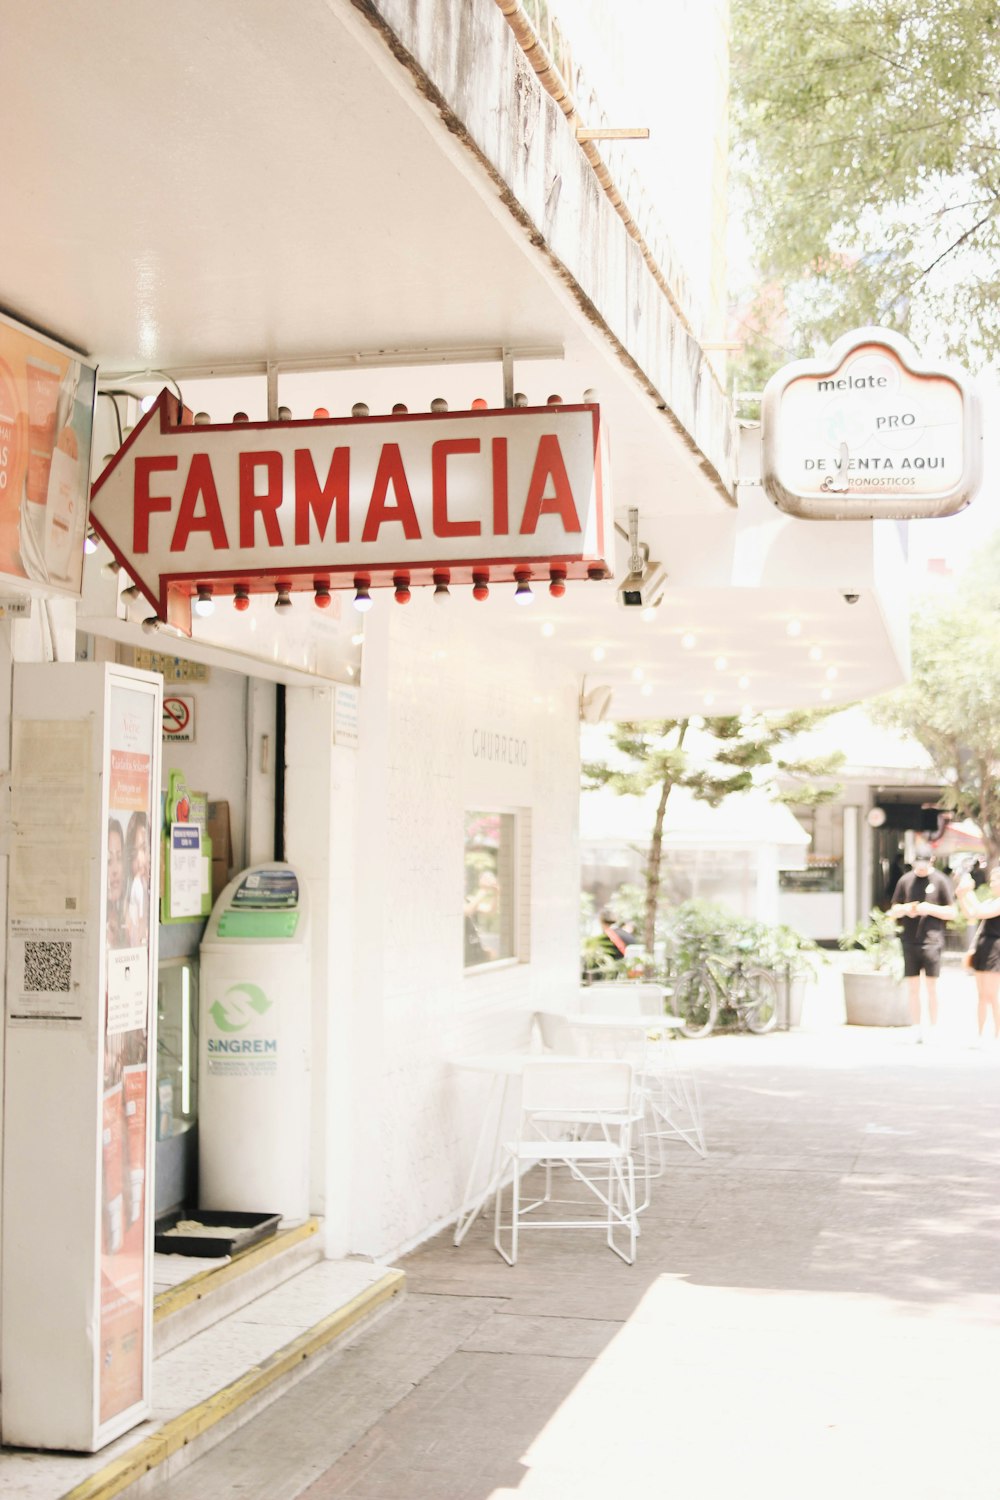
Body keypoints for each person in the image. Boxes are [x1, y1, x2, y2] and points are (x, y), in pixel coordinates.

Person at [887, 844, 956, 1041]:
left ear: (931, 860)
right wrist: (906, 909)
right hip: (909, 939)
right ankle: (916, 1027)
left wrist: (929, 909)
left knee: (932, 987)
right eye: (918, 862)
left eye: (924, 862)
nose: (921, 867)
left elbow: (952, 912)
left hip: (932, 940)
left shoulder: (941, 881)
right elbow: (893, 911)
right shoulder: (906, 880)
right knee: (913, 987)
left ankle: (934, 1026)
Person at [955, 865, 1000, 1046]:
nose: (992, 883)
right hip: (983, 947)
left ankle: (997, 1035)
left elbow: (978, 912)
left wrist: (967, 892)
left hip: (995, 948)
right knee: (982, 994)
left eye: (996, 879)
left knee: (993, 994)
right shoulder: (992, 901)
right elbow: (971, 914)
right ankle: (981, 1034)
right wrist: (962, 894)